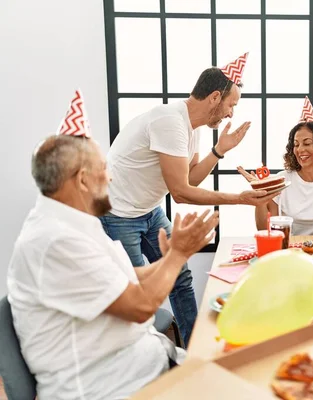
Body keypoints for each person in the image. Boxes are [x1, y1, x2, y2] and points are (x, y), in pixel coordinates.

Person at [8, 97, 220, 398]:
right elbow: (139, 307)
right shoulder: (54, 240)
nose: (111, 176)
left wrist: (174, 255)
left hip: (148, 365)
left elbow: (128, 277)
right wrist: (178, 255)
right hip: (113, 388)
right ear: (82, 180)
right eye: (104, 168)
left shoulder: (76, 223)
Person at [99, 53, 277, 346]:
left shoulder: (190, 128)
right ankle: (140, 358)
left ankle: (193, 348)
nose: (231, 113)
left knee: (179, 279)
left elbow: (192, 178)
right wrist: (241, 199)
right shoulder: (169, 121)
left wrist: (219, 151)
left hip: (148, 210)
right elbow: (181, 192)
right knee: (135, 293)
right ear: (215, 97)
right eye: (232, 105)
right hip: (117, 214)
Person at [238, 97, 313, 235]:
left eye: (306, 143)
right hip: (290, 251)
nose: (300, 150)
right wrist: (260, 196)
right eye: (296, 144)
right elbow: (264, 229)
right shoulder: (281, 180)